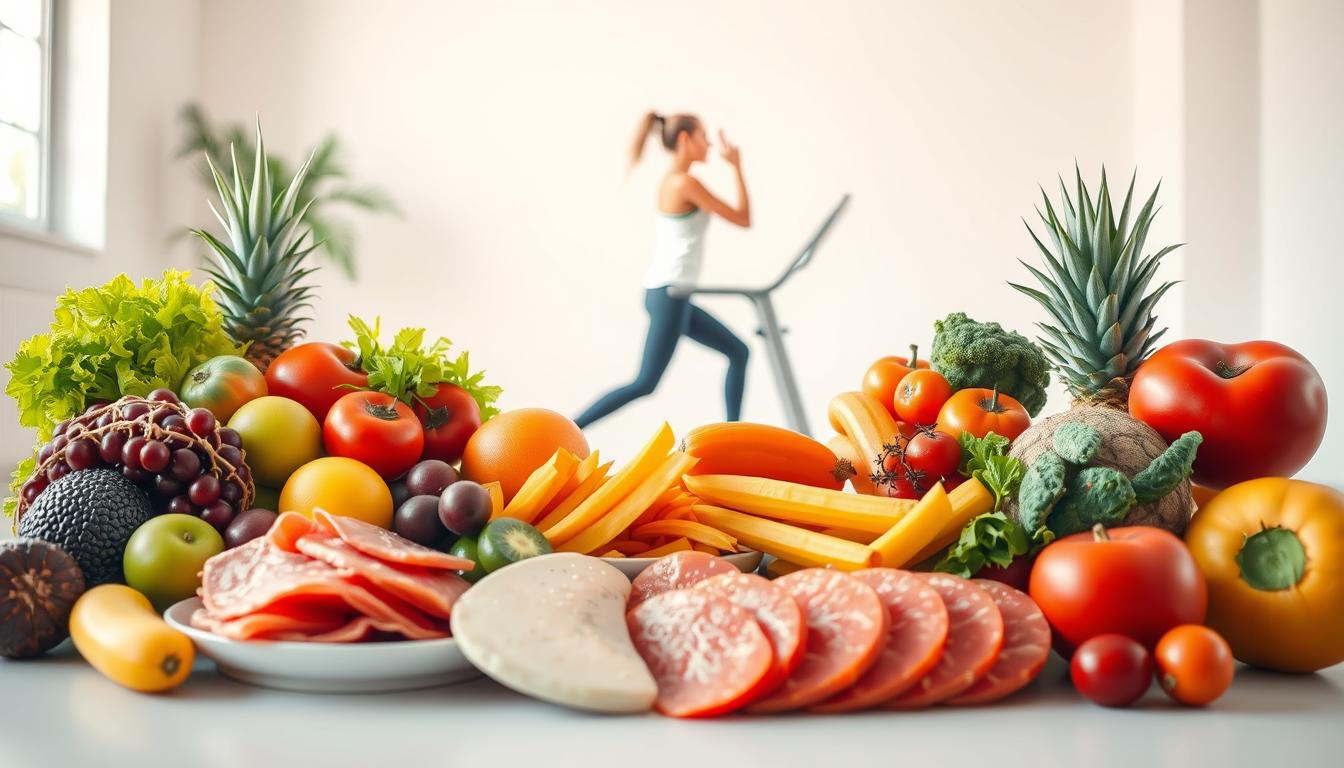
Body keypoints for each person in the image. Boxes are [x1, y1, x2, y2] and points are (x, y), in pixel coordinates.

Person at [575, 112, 752, 428]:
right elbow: (742, 218)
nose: (709, 144)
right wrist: (736, 166)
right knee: (644, 383)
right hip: (670, 293)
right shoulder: (684, 183)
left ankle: (732, 437)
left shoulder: (673, 180)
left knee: (739, 352)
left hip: (670, 293)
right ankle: (567, 428)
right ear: (685, 139)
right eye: (703, 136)